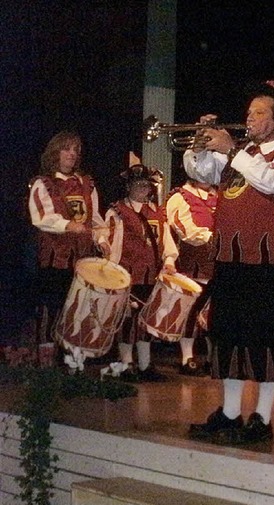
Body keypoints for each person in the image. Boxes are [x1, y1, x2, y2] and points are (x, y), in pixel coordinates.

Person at [185, 81, 274, 444]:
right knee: (227, 335)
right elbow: (200, 171)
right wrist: (200, 143)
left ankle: (262, 419)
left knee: (260, 337)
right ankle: (231, 414)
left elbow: (271, 181)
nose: (250, 118)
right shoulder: (243, 153)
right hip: (229, 255)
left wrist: (232, 149)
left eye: (259, 113)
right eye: (248, 113)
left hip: (265, 260)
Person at [28, 131, 110, 366]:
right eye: (67, 149)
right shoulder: (43, 184)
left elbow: (95, 219)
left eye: (76, 150)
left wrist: (102, 240)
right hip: (54, 259)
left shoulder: (87, 183)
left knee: (78, 311)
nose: (72, 154)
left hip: (81, 261)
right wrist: (68, 225)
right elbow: (41, 217)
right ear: (55, 152)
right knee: (50, 310)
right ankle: (47, 367)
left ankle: (73, 364)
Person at [105, 162, 178, 382]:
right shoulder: (117, 211)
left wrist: (169, 261)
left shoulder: (156, 212)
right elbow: (111, 246)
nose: (142, 189)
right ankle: (126, 364)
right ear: (128, 187)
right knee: (127, 320)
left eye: (146, 185)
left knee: (145, 321)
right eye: (137, 184)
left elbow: (166, 242)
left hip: (150, 276)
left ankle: (145, 365)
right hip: (126, 274)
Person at [165, 171, 218, 376]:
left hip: (217, 266)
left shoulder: (219, 195)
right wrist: (212, 236)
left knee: (214, 313)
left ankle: (213, 358)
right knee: (190, 312)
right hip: (192, 265)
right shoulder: (180, 197)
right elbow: (184, 229)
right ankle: (187, 358)